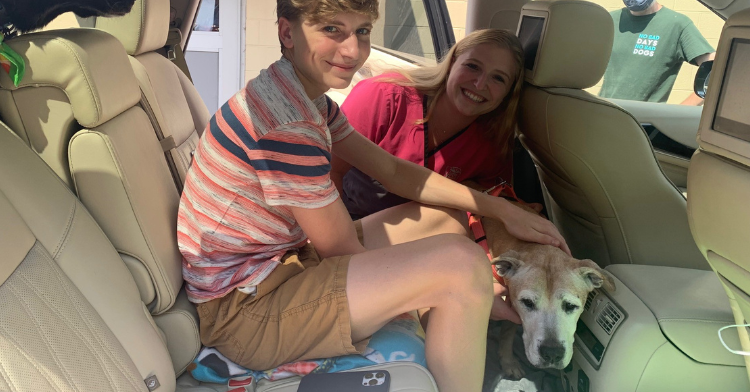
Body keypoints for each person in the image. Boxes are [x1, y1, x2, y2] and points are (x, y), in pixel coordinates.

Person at [177, 1, 569, 391]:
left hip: (282, 265)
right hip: (245, 313)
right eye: (332, 30)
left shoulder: (306, 101)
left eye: (362, 31)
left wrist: (499, 208)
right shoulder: (287, 125)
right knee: (462, 269)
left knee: (444, 221)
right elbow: (341, 248)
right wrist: (463, 291)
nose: (352, 50)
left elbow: (394, 171)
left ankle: (452, 343)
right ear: (286, 33)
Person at [333, 29, 524, 220]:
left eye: (498, 78)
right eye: (473, 66)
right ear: (451, 63)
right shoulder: (385, 96)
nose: (480, 84)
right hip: (345, 223)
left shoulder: (492, 142)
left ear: (509, 91)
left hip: (421, 238)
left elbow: (492, 197)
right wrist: (338, 242)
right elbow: (327, 172)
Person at [598, 0, 715, 104]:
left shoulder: (677, 24)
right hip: (605, 111)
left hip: (642, 121)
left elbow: (717, 69)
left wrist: (680, 111)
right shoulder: (611, 19)